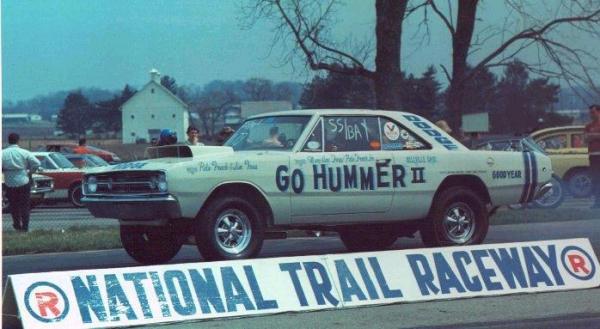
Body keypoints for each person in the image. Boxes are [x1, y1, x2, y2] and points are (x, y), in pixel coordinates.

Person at [2, 133, 41, 232]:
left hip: (9, 181)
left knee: (13, 205)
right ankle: (25, 227)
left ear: (8, 140)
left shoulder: (2, 153)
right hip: (23, 180)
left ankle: (17, 224)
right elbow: (37, 163)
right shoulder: (24, 152)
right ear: (18, 140)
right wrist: (30, 171)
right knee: (25, 206)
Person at [585, 104, 600, 208]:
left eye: (593, 112)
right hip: (593, 155)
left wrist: (593, 136)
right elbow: (585, 139)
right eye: (590, 113)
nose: (591, 115)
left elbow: (589, 136)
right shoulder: (588, 126)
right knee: (595, 178)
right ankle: (597, 202)